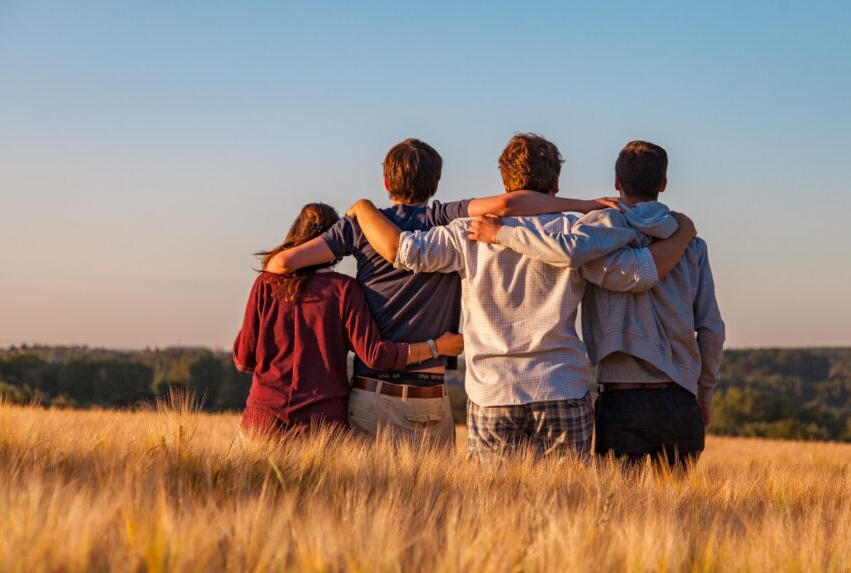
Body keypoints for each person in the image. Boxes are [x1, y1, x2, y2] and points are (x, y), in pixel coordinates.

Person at [347, 133, 697, 461]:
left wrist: (363, 208)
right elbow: (637, 274)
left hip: (493, 392)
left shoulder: (467, 233)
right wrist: (682, 234)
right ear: (556, 184)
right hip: (562, 386)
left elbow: (404, 252)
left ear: (504, 182)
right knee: (567, 507)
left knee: (494, 510)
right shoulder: (576, 233)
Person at [262, 138, 615, 445]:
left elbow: (281, 265)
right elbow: (509, 205)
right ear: (436, 182)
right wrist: (584, 205)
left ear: (386, 182)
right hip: (429, 395)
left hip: (372, 392)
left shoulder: (359, 226)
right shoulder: (445, 218)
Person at [469, 140, 725, 469]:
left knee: (618, 513)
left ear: (617, 183)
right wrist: (705, 393)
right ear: (663, 184)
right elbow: (711, 328)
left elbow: (565, 251)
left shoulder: (595, 234)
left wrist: (502, 234)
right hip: (680, 398)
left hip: (621, 400)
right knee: (678, 515)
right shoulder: (691, 244)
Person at [233, 202, 463, 440]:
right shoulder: (344, 290)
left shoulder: (266, 284)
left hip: (262, 422)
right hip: (322, 426)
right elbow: (375, 355)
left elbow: (243, 359)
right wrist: (436, 347)